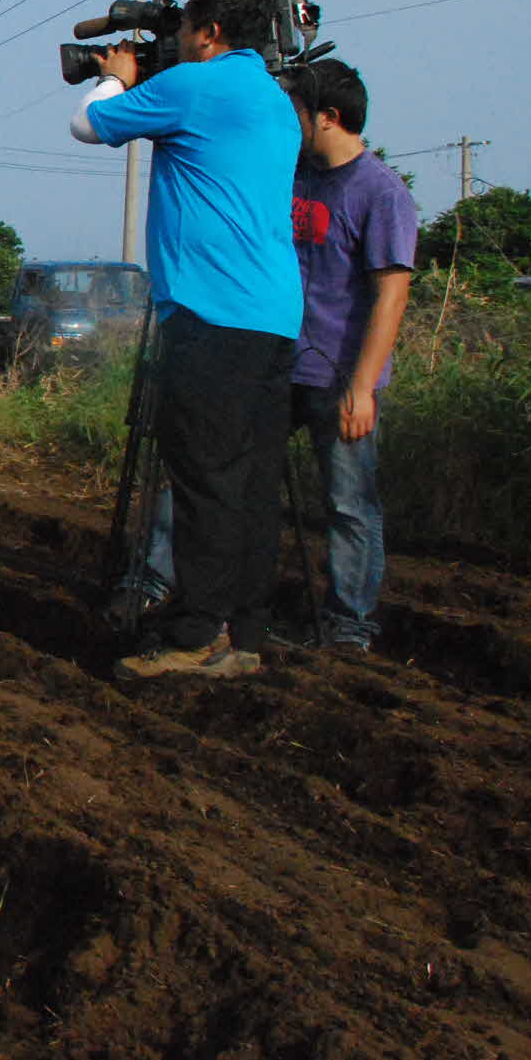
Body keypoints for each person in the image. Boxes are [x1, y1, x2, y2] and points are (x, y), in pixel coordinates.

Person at [112, 59, 415, 656]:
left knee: (348, 504)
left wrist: (361, 387)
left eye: (296, 109)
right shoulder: (288, 173)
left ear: (327, 117)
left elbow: (391, 293)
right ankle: (160, 582)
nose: (284, 117)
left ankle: (349, 625)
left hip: (337, 376)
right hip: (268, 357)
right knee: (208, 476)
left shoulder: (381, 192)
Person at [72, 0, 301, 679]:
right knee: (252, 482)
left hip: (209, 313)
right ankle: (244, 634)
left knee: (204, 478)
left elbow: (89, 124)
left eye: (185, 26)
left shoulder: (195, 85)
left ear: (209, 32)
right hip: (272, 316)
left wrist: (116, 77)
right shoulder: (275, 98)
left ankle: (195, 633)